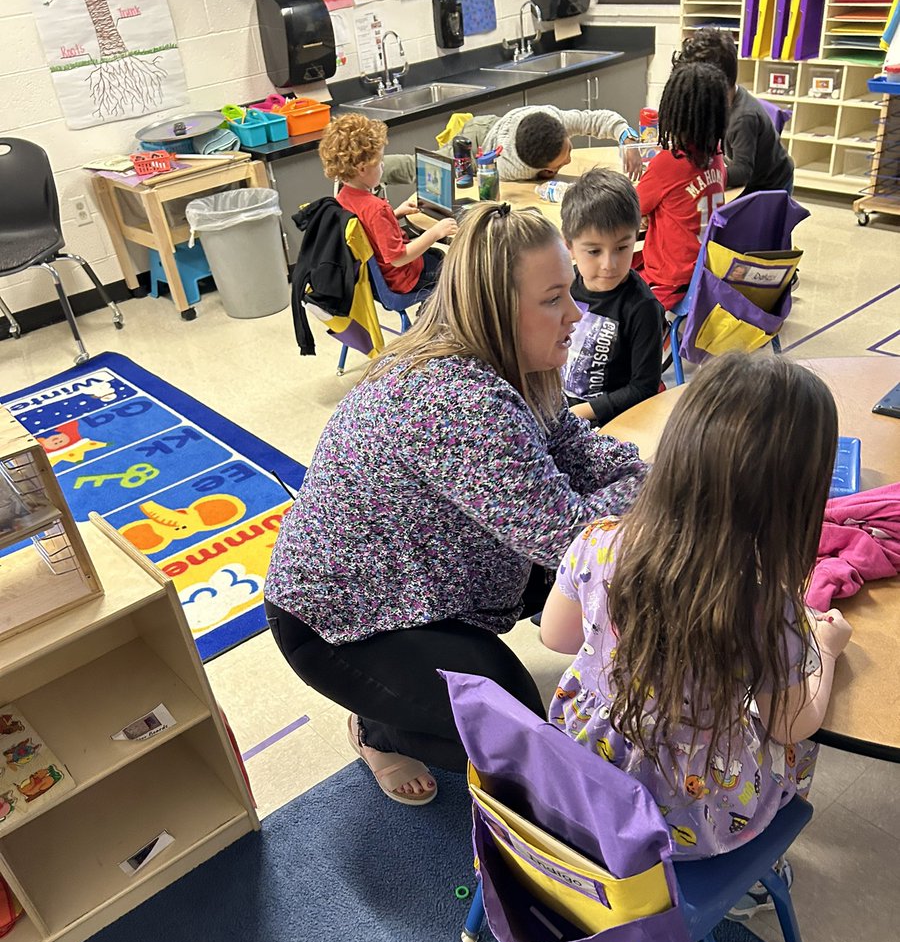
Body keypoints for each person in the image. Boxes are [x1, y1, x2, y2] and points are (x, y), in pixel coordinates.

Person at [264, 204, 648, 807]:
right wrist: (665, 492)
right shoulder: (455, 399)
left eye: (568, 292)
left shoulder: (500, 364)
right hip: (343, 625)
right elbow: (575, 537)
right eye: (553, 299)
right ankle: (378, 729)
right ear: (497, 307)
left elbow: (580, 450)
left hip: (418, 579)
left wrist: (651, 479)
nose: (575, 314)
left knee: (601, 582)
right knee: (524, 740)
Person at [540, 353, 851, 875]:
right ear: (797, 498)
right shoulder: (768, 609)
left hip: (579, 784)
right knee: (803, 748)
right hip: (689, 825)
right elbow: (793, 725)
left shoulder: (597, 540)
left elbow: (556, 637)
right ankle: (750, 879)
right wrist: (829, 654)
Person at [559, 167, 665, 424]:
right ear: (569, 246)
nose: (610, 264)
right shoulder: (563, 285)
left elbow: (643, 388)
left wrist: (576, 414)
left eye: (622, 248)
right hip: (560, 407)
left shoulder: (642, 307)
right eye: (594, 251)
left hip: (613, 422)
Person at [318, 113, 455, 294]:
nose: (383, 166)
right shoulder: (376, 208)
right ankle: (433, 312)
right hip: (402, 278)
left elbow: (367, 229)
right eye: (380, 161)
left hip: (375, 278)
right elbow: (398, 258)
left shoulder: (342, 197)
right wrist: (436, 233)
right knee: (452, 268)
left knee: (437, 257)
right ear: (362, 169)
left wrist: (395, 213)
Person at [635, 62, 729, 310]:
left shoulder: (668, 163)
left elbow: (629, 207)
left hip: (670, 278)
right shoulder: (717, 156)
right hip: (707, 270)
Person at [383, 106, 643, 187]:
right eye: (561, 162)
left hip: (497, 125)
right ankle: (363, 169)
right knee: (422, 168)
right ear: (539, 168)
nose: (568, 161)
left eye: (568, 150)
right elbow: (505, 190)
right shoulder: (511, 168)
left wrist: (627, 138)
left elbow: (598, 119)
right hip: (478, 147)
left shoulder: (555, 121)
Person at [674, 28, 795, 195]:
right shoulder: (724, 100)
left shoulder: (743, 118)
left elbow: (742, 172)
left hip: (771, 184)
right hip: (752, 172)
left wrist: (703, 176)